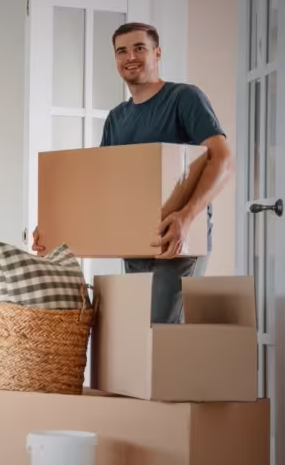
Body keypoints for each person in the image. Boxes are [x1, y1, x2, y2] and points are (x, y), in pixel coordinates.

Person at [33, 22, 233, 323]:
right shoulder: (117, 118)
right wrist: (54, 228)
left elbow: (223, 158)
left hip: (176, 242)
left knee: (161, 333)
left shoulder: (184, 98)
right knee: (140, 337)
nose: (130, 57)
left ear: (157, 53)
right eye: (121, 51)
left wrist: (186, 216)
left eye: (139, 48)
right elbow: (102, 185)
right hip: (134, 243)